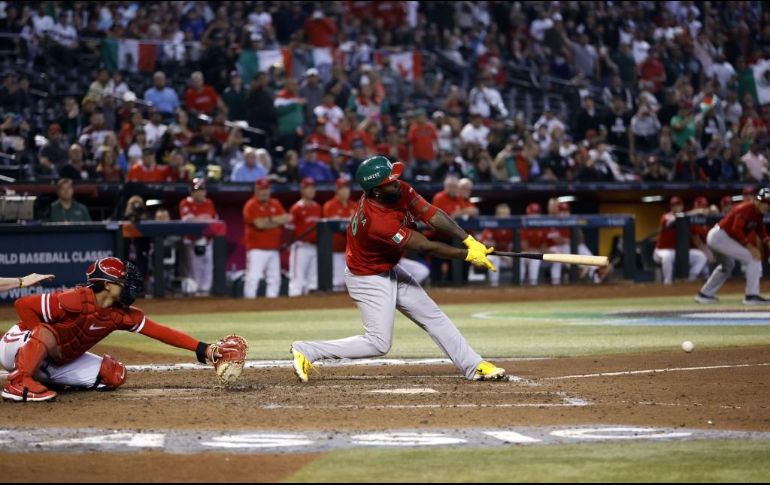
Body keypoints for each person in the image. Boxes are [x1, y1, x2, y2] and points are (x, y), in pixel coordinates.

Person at [290, 156, 506, 383]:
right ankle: (308, 350)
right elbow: (425, 246)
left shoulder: (396, 190)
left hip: (388, 268)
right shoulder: (377, 221)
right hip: (367, 278)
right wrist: (467, 256)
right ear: (376, 191)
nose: (397, 183)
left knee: (434, 317)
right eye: (390, 181)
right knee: (378, 343)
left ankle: (474, 366)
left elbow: (432, 214)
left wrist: (468, 240)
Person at [0, 257, 239, 402]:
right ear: (107, 285)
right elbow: (23, 305)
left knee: (113, 375)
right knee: (46, 332)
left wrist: (203, 349)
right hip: (17, 346)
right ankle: (18, 383)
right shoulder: (74, 299)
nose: (130, 288)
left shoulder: (120, 314)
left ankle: (45, 379)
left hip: (55, 360)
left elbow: (158, 331)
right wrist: (44, 343)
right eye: (125, 283)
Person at [695, 188, 770, 305]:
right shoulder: (746, 208)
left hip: (720, 237)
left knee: (727, 265)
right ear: (758, 201)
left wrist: (767, 242)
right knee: (753, 258)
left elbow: (761, 231)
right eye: (765, 202)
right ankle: (751, 296)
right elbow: (736, 230)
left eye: (768, 203)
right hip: (720, 237)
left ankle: (704, 295)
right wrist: (750, 248)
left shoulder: (758, 213)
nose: (766, 206)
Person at [242, 178, 290, 299]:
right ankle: (249, 304)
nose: (264, 192)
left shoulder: (275, 203)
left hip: (274, 249)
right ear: (256, 191)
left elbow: (286, 218)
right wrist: (275, 220)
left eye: (266, 189)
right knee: (253, 278)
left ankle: (272, 305)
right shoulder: (251, 205)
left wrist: (268, 220)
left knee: (275, 278)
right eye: (261, 189)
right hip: (256, 249)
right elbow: (259, 224)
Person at [653, 197, 708, 284]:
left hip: (678, 252)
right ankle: (667, 283)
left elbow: (695, 233)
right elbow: (677, 218)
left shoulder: (686, 219)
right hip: (662, 250)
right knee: (667, 257)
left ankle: (690, 279)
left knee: (701, 256)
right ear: (670, 207)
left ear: (682, 206)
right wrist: (695, 212)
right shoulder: (666, 217)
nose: (676, 207)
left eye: (678, 205)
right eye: (673, 205)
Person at [178, 178, 218, 297]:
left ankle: (205, 293)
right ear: (191, 192)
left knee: (208, 268)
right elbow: (189, 220)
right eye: (197, 190)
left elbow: (214, 220)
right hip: (192, 241)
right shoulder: (185, 203)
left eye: (202, 190)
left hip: (207, 241)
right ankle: (195, 293)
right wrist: (204, 218)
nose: (200, 192)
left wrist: (200, 218)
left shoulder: (209, 203)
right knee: (195, 269)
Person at [322, 176, 358, 291]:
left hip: (352, 253)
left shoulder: (354, 205)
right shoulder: (329, 205)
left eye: (347, 188)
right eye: (342, 188)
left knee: (353, 284)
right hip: (336, 251)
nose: (345, 191)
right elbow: (333, 226)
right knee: (338, 282)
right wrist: (349, 220)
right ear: (337, 190)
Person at [288, 178, 322, 297]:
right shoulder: (296, 208)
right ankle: (293, 306)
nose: (311, 190)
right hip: (301, 246)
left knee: (313, 280)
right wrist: (291, 244)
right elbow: (289, 230)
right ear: (302, 190)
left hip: (315, 247)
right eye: (308, 187)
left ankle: (310, 308)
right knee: (298, 279)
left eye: (313, 187)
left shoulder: (317, 207)